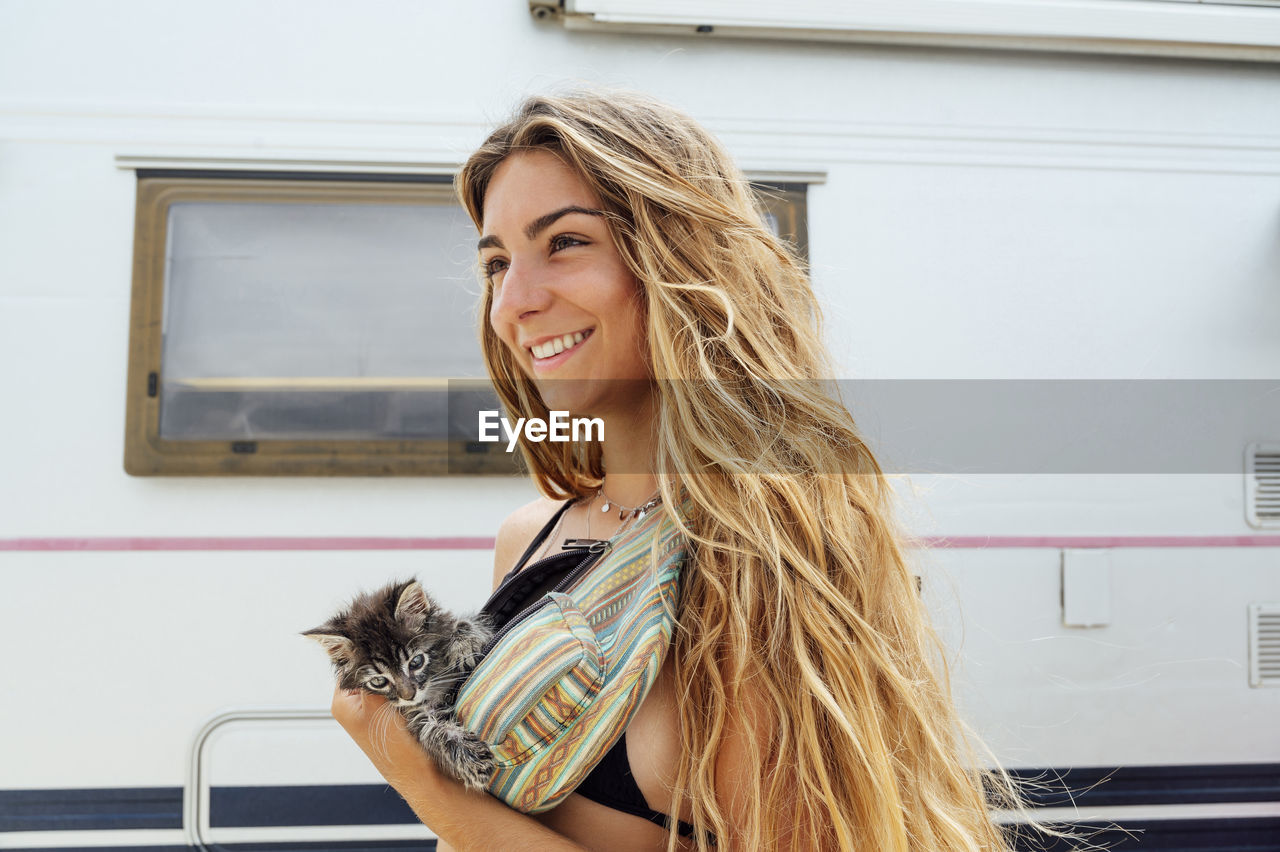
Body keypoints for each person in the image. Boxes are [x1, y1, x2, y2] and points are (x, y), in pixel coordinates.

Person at [330, 88, 1079, 851]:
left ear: (675, 258)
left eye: (565, 243)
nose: (514, 301)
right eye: (496, 263)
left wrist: (414, 773)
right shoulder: (530, 537)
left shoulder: (761, 551)